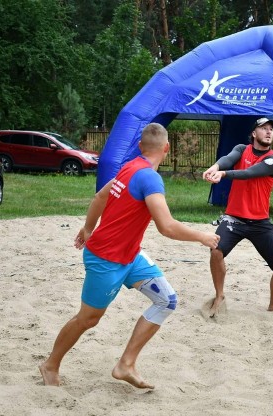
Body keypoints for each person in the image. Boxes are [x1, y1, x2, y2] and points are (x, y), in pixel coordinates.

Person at [39, 123, 219, 389]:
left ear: (140, 147)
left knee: (166, 300)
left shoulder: (129, 167)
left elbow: (101, 195)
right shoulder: (148, 177)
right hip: (105, 259)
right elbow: (166, 227)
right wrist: (202, 236)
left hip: (130, 257)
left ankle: (126, 365)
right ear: (166, 148)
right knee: (88, 318)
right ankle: (50, 364)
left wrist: (89, 226)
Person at [202, 117, 273, 316]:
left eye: (271, 130)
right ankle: (219, 295)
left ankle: (272, 309)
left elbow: (249, 173)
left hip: (260, 222)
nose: (269, 132)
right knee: (216, 251)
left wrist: (223, 174)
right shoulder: (242, 149)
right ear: (253, 133)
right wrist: (216, 167)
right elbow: (228, 158)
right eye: (264, 128)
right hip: (234, 218)